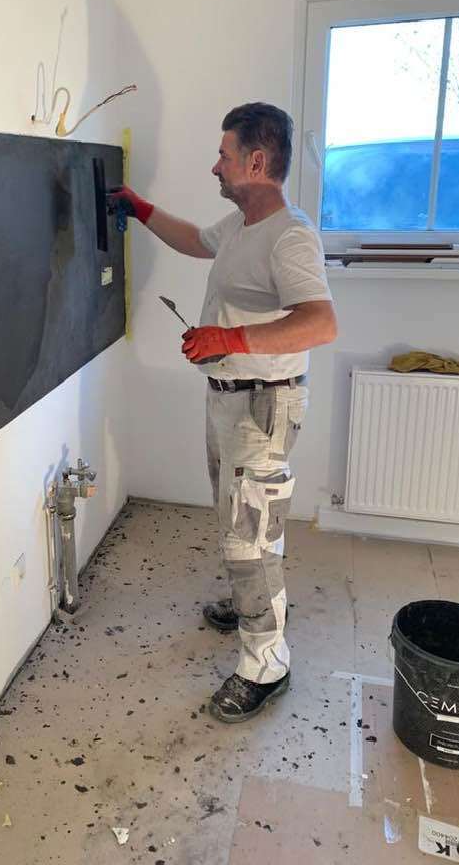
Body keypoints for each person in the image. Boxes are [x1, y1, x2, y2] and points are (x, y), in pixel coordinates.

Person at [108, 102, 337, 723]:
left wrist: (230, 339)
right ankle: (250, 604)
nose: (216, 166)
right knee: (242, 521)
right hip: (231, 398)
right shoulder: (240, 226)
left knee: (250, 535)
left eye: (224, 155)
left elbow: (321, 323)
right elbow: (195, 240)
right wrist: (141, 208)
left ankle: (267, 664)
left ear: (256, 162)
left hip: (263, 404)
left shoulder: (290, 236)